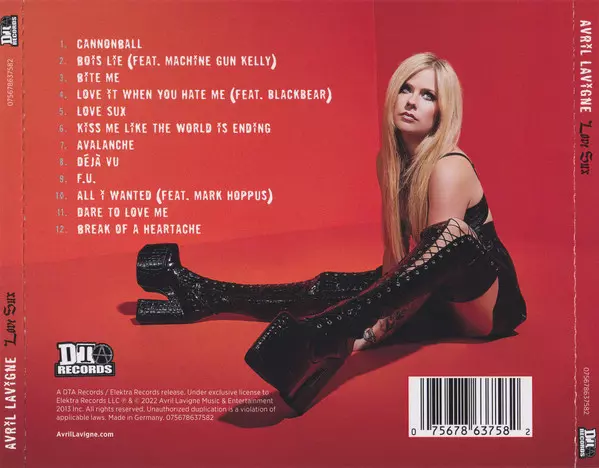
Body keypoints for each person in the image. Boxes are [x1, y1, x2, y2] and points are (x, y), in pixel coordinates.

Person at [135, 52, 526, 414]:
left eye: (428, 96)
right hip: (436, 298)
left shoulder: (448, 167)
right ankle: (206, 295)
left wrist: (368, 335)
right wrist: (370, 301)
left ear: (442, 112)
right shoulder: (389, 164)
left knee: (453, 234)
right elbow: (397, 260)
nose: (411, 102)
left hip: (486, 308)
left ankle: (327, 336)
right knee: (327, 287)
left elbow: (431, 269)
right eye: (406, 89)